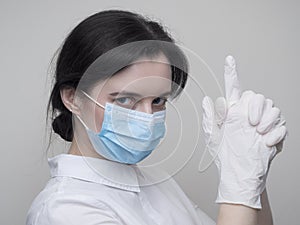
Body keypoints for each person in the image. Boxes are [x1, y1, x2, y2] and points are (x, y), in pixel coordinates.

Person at [26, 9, 287, 225]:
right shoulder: (63, 210)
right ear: (72, 98)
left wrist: (252, 175)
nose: (147, 117)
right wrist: (237, 187)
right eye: (125, 100)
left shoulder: (157, 182)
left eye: (158, 100)